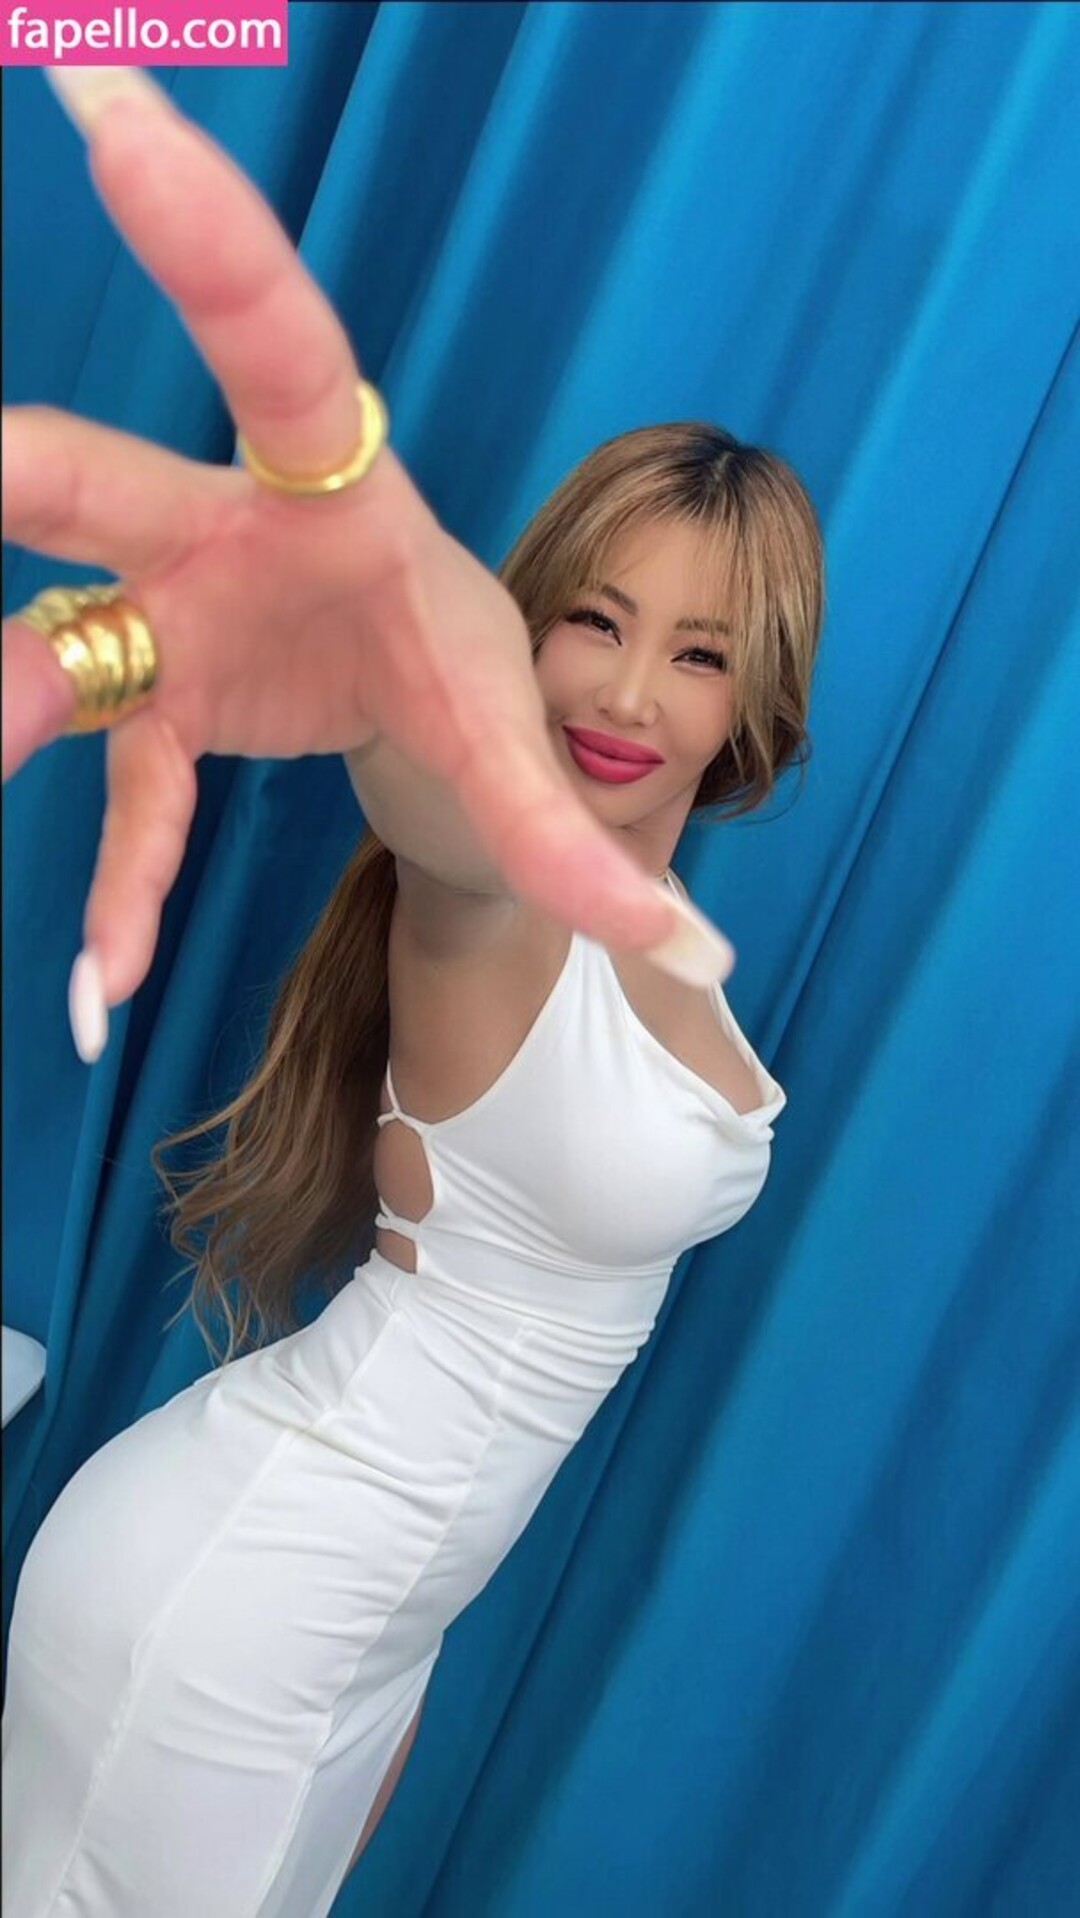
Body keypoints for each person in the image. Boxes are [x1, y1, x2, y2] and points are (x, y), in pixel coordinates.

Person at [1, 69, 823, 1918]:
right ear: (525, 630)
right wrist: (381, 633)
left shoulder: (654, 943)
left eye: (698, 653)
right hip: (228, 1606)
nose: (629, 693)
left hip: (351, 1628)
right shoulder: (492, 889)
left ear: (754, 705)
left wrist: (390, 1698)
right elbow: (425, 783)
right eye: (595, 619)